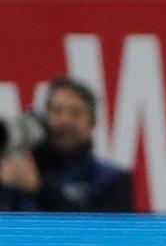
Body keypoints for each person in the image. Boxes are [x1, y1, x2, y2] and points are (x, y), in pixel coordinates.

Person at [0, 77, 133, 212]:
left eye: (76, 113)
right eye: (57, 111)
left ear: (92, 123)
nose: (65, 120)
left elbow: (103, 227)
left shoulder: (113, 181)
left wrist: (39, 189)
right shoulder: (20, 172)